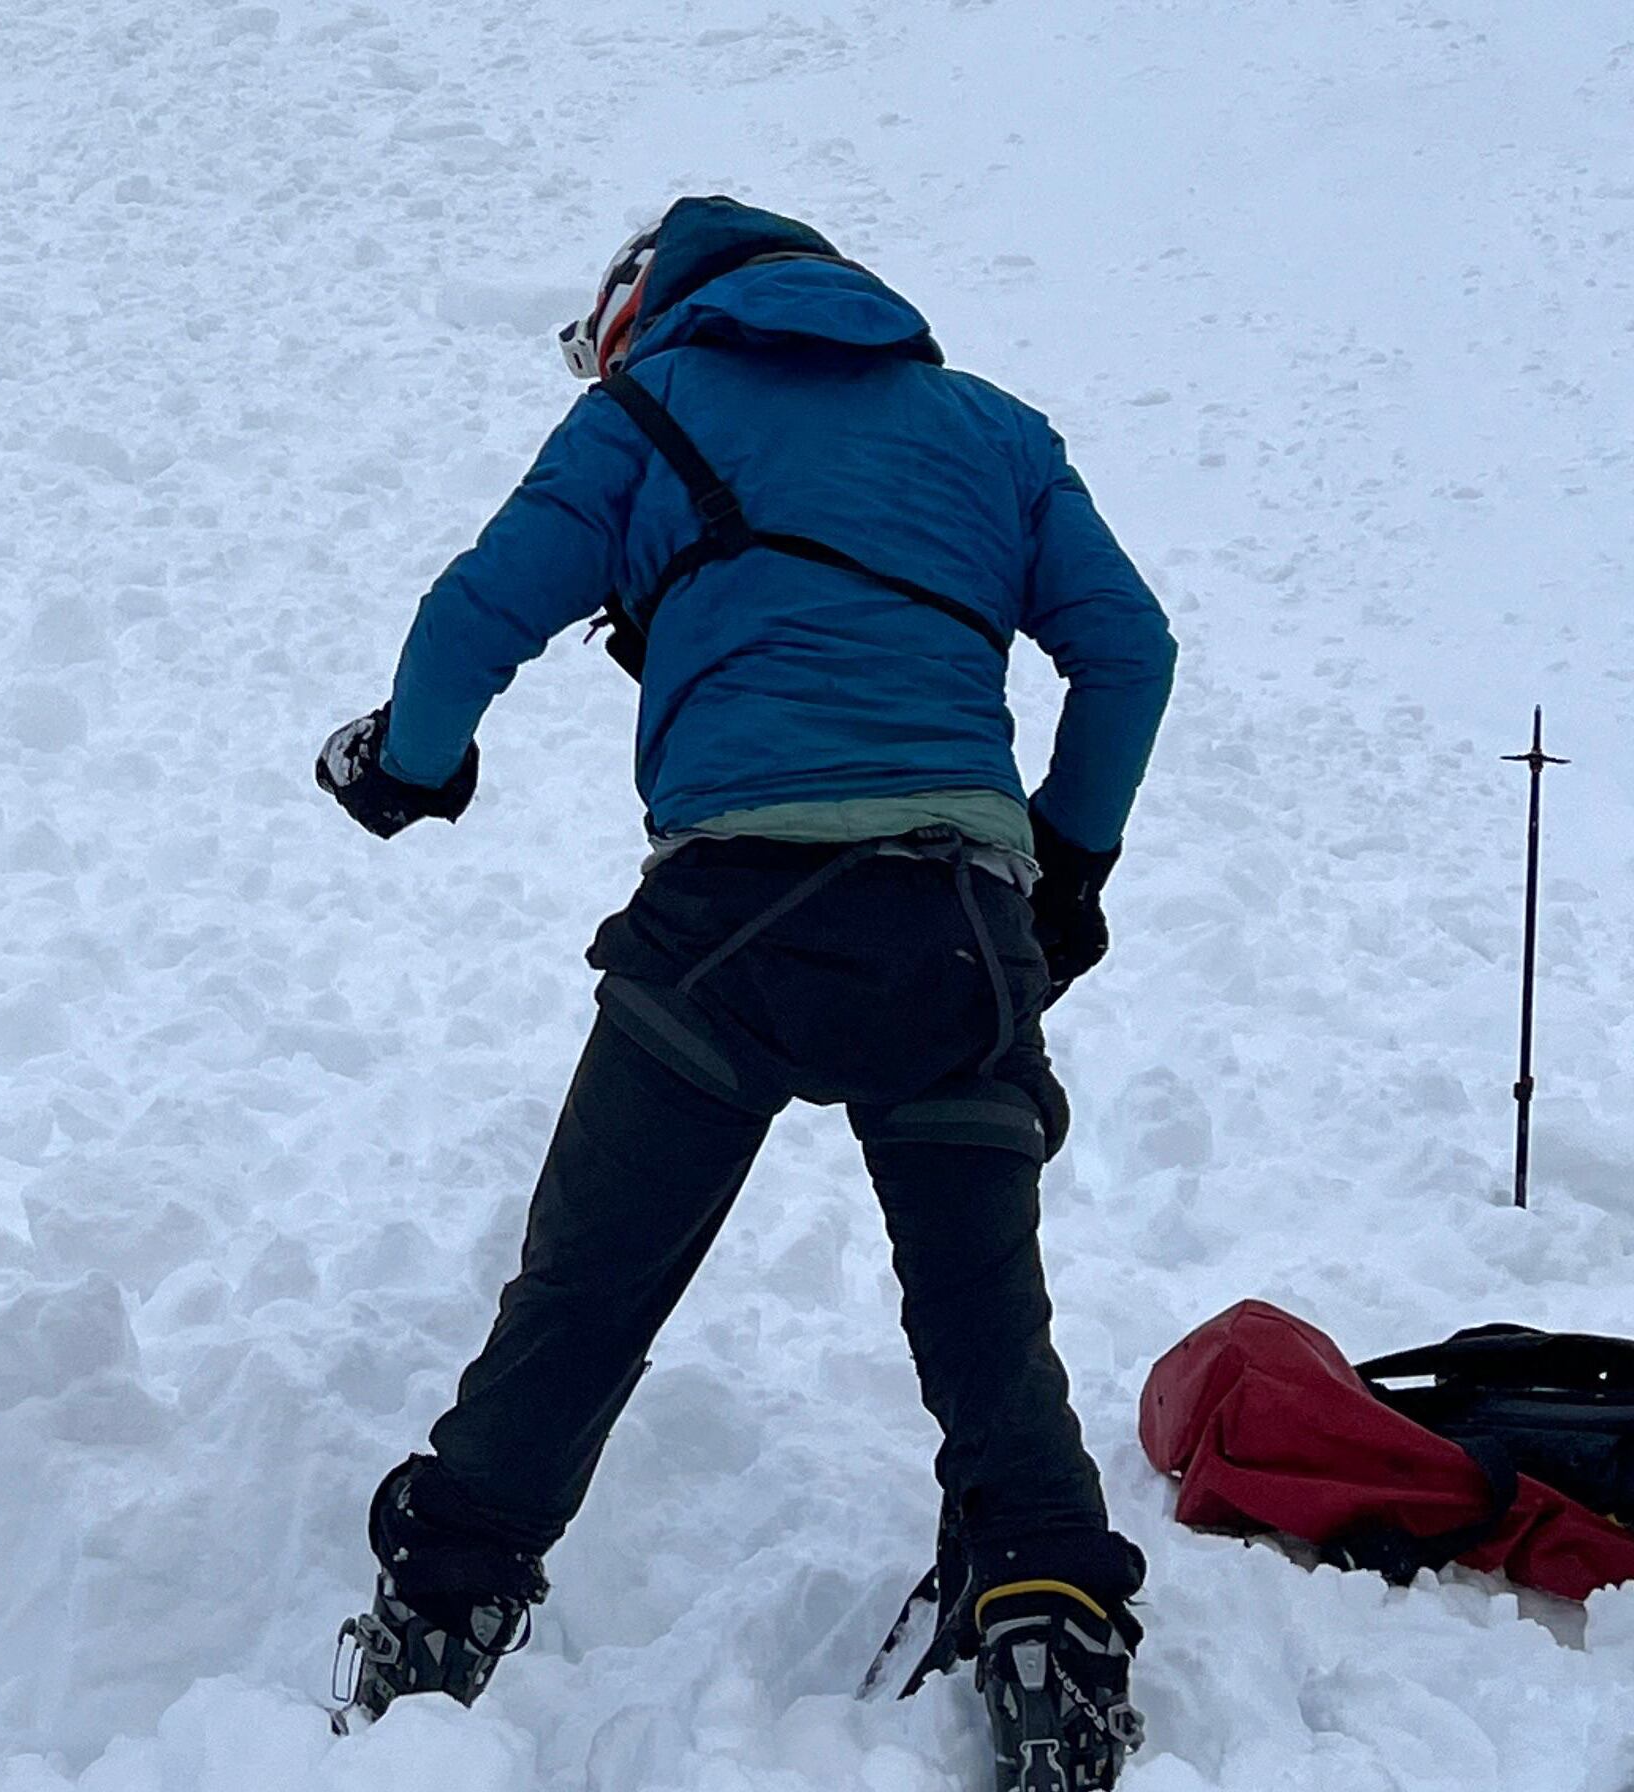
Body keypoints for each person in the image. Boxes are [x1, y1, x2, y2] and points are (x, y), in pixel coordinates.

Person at [316, 198, 1175, 1788]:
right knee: (988, 1324)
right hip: (960, 934)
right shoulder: (993, 430)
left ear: (650, 304)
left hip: (730, 926)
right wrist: (1069, 867)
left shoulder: (647, 408)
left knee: (588, 1295)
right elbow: (1128, 650)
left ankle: (440, 1623)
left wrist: (410, 769)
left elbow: (475, 613)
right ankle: (1050, 1611)